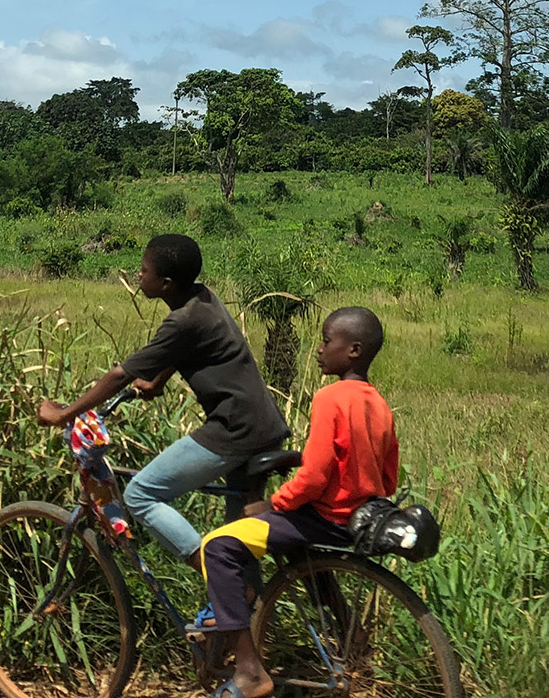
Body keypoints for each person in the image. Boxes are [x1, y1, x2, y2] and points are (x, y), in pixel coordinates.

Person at [37, 234, 289, 570]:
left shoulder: (182, 321)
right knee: (237, 542)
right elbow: (184, 349)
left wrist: (63, 413)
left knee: (140, 495)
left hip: (234, 430)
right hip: (264, 424)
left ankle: (216, 577)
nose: (138, 275)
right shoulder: (203, 298)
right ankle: (240, 612)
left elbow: (120, 375)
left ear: (166, 283)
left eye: (144, 271)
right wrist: (159, 379)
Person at [197, 306, 397, 698]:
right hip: (359, 520)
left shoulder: (330, 398)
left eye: (327, 341)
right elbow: (387, 476)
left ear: (353, 350)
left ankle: (249, 670)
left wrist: (275, 502)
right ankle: (352, 639)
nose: (319, 350)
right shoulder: (380, 405)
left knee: (218, 547)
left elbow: (316, 475)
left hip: (325, 518)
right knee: (296, 551)